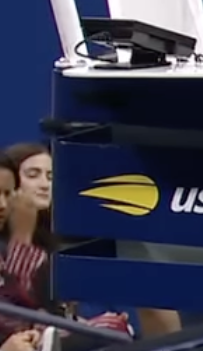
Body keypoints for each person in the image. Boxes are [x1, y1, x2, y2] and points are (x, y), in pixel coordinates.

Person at [1, 143, 170, 338]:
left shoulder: (54, 241)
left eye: (50, 177)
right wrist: (22, 237)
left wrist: (94, 324)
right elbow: (16, 310)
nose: (44, 184)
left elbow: (55, 315)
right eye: (32, 175)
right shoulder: (12, 241)